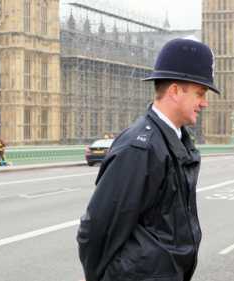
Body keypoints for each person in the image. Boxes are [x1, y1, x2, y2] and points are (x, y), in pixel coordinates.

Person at [76, 38, 219, 281]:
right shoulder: (140, 147)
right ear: (174, 91)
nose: (204, 102)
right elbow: (95, 229)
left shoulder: (175, 140)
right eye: (200, 92)